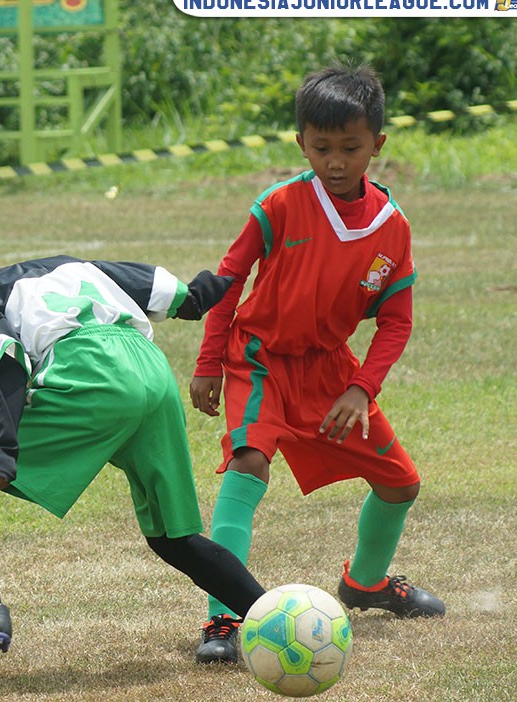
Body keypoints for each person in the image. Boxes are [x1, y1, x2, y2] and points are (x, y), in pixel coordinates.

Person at [0, 199, 267, 663]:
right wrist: (213, 287)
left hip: (92, 373)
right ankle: (277, 618)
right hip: (152, 374)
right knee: (174, 538)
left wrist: (4, 448)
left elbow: (8, 364)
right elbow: (171, 292)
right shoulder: (70, 266)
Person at [188, 64, 445, 665]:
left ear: (377, 146)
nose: (335, 161)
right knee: (247, 463)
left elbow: (396, 321)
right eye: (321, 147)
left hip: (331, 371)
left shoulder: (392, 226)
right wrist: (207, 362)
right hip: (258, 359)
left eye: (350, 148)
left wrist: (361, 388)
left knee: (400, 482)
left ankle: (366, 582)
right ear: (301, 142)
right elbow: (228, 283)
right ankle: (224, 617)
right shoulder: (278, 205)